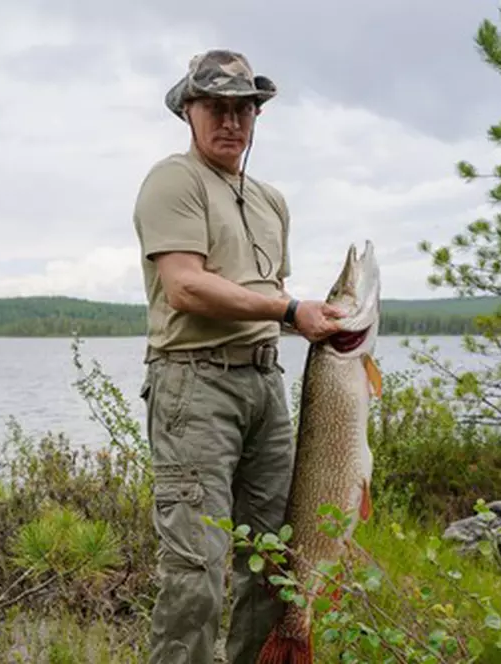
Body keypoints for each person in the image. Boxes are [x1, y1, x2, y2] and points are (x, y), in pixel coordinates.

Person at [131, 49, 344, 664]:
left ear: (257, 115)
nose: (231, 122)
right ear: (188, 112)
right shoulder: (175, 180)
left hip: (264, 386)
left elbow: (270, 291)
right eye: (216, 108)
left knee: (274, 560)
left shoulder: (272, 201)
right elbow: (186, 286)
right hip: (193, 388)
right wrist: (288, 312)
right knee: (196, 567)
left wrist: (309, 319)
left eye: (243, 109)